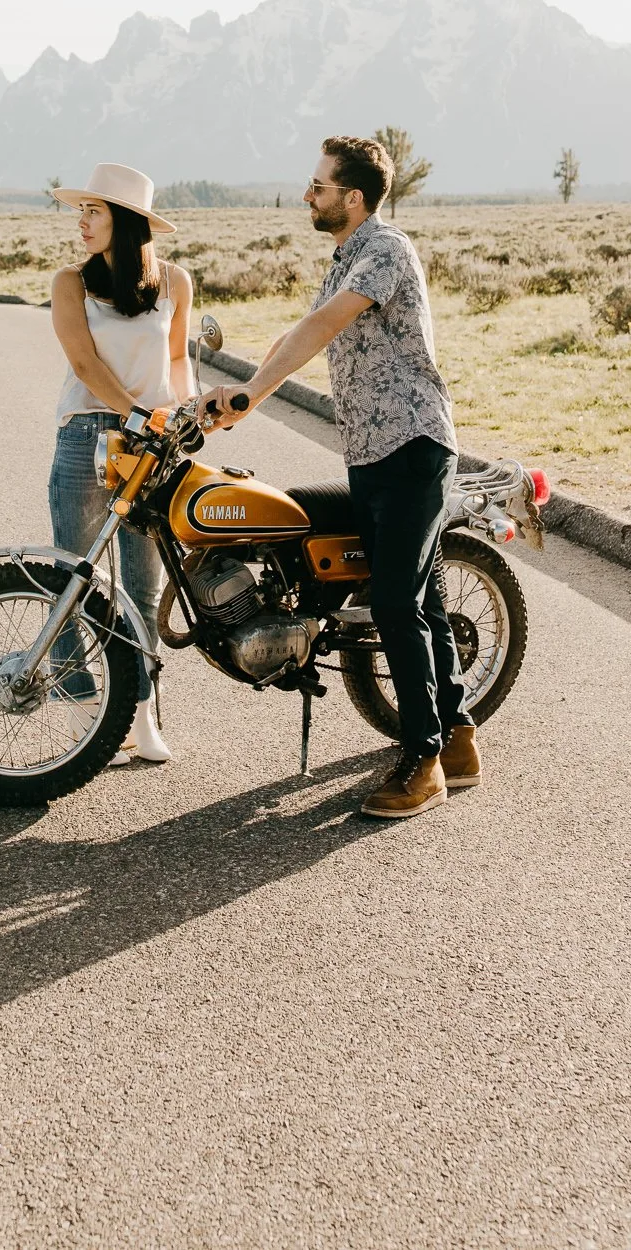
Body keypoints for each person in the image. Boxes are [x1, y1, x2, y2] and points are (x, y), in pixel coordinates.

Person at [203, 135, 475, 819]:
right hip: (374, 453)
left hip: (412, 446)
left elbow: (323, 327)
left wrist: (255, 396)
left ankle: (423, 764)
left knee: (395, 606)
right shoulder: (346, 258)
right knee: (424, 604)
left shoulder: (384, 249)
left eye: (318, 186)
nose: (308, 195)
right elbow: (298, 329)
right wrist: (233, 395)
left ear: (353, 197)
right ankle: (460, 739)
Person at [49, 162, 194, 765]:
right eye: (81, 209)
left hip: (153, 444)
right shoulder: (70, 283)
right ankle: (91, 713)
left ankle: (142, 713)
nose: (82, 221)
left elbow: (180, 358)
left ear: (128, 222)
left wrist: (184, 418)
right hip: (88, 436)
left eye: (96, 210)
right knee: (73, 577)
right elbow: (83, 364)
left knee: (142, 584)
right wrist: (135, 412)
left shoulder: (175, 282)